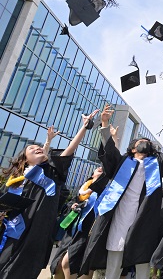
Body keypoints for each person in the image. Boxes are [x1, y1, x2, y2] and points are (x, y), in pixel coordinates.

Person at [79, 105, 163, 279]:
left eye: (148, 142)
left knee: (142, 259)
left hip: (144, 217)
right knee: (115, 257)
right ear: (132, 148)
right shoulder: (122, 162)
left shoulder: (156, 164)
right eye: (140, 141)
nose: (145, 143)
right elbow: (109, 152)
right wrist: (105, 125)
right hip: (120, 215)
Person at [0, 110, 98, 279]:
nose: (37, 148)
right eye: (32, 148)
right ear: (24, 158)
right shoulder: (14, 181)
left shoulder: (52, 173)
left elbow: (69, 150)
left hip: (37, 234)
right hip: (12, 234)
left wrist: (84, 127)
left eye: (39, 147)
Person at [51, 166, 105, 279]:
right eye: (98, 168)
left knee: (69, 263)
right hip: (72, 230)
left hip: (87, 232)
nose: (101, 167)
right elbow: (70, 203)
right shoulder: (83, 188)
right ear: (92, 174)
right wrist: (73, 206)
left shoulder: (105, 189)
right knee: (58, 265)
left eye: (104, 169)